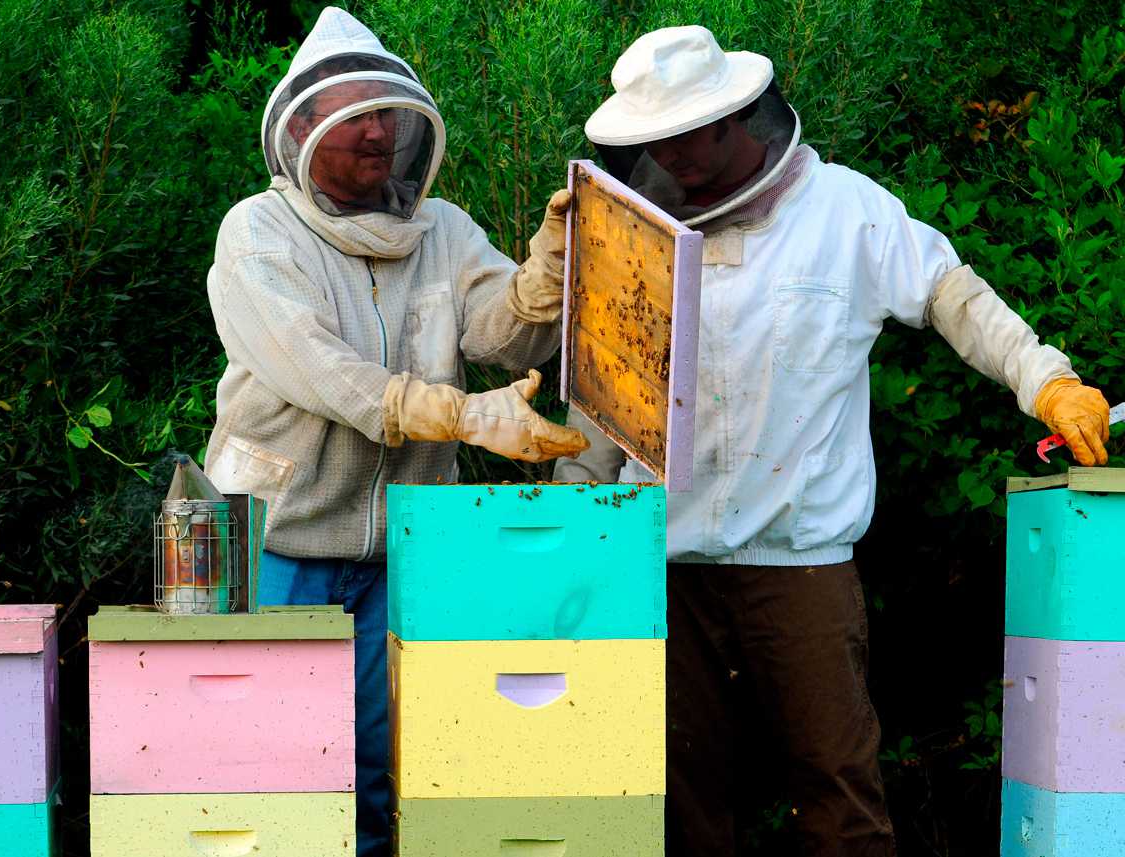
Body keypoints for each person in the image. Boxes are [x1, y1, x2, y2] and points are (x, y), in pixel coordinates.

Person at [554, 25, 1110, 857]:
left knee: (838, 790)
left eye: (688, 137)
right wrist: (569, 527)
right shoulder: (634, 232)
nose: (676, 161)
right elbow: (602, 396)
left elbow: (953, 297)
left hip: (800, 564)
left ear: (735, 117)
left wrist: (1047, 379)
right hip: (659, 561)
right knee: (680, 802)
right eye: (656, 144)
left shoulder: (846, 208)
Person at [202, 8, 587, 856]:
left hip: (405, 549)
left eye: (388, 114)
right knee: (278, 767)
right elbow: (322, 371)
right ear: (299, 130)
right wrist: (462, 414)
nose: (378, 133)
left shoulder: (441, 231)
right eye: (355, 116)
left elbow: (507, 332)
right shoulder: (257, 235)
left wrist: (553, 265)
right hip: (278, 537)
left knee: (385, 760)